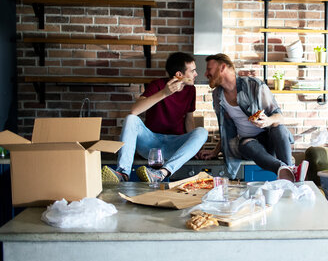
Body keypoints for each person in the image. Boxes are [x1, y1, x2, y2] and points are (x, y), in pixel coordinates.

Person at [197, 53, 307, 181]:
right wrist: (215, 152)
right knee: (245, 144)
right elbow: (225, 130)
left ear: (222, 68)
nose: (206, 74)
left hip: (271, 141)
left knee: (279, 127)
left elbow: (279, 117)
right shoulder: (218, 95)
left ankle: (288, 171)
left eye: (209, 69)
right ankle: (289, 170)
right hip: (250, 147)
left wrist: (268, 121)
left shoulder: (254, 85)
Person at [102, 52, 208, 183]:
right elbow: (135, 110)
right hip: (150, 144)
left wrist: (195, 147)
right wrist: (165, 93)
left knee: (202, 132)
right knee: (131, 119)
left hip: (174, 145)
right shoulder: (157, 85)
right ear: (179, 75)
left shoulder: (191, 90)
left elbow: (189, 120)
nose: (196, 74)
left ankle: (161, 173)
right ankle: (123, 173)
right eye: (192, 71)